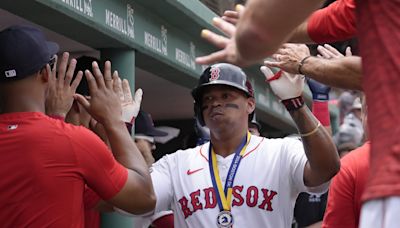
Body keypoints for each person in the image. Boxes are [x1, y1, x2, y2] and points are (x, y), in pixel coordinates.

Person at [133, 63, 339, 227]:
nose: (215, 103)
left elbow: (326, 169)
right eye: (208, 98)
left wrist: (296, 105)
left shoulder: (281, 151)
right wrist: (117, 128)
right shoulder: (175, 164)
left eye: (226, 96)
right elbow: (134, 199)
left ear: (250, 104)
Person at [0, 25, 155, 227]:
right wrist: (115, 123)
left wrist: (57, 119)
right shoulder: (72, 141)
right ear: (47, 73)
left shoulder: (67, 141)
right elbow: (144, 198)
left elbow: (100, 199)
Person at [322, 96, 369, 228]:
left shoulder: (351, 165)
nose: (359, 115)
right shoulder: (350, 164)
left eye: (362, 111)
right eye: (357, 111)